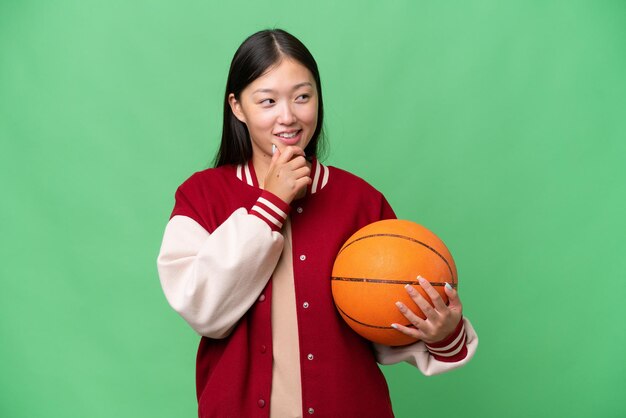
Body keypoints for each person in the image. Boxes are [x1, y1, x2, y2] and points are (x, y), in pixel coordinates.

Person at [157, 29, 478, 418]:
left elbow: (387, 322)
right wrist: (271, 204)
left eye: (302, 97)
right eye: (268, 101)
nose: (288, 116)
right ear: (237, 106)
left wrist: (443, 334)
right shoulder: (200, 196)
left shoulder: (361, 201)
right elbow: (203, 309)